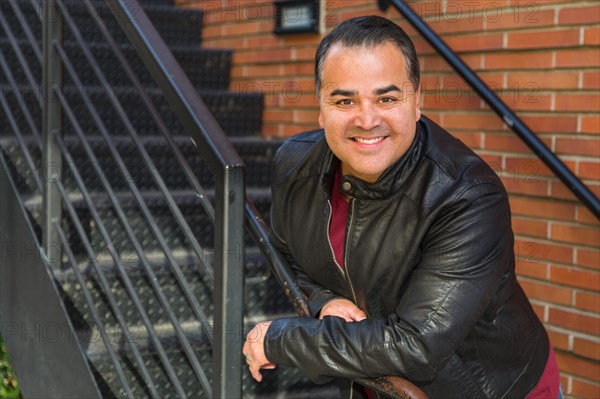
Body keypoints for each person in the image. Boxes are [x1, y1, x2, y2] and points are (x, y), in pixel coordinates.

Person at [243, 15, 561, 399]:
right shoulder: (295, 166)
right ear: (321, 107)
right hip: (378, 383)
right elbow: (285, 258)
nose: (366, 119)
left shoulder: (467, 196)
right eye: (345, 100)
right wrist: (324, 300)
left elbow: (417, 346)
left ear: (417, 102)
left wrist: (280, 339)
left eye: (387, 98)